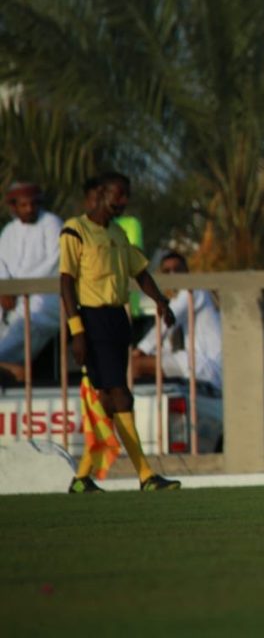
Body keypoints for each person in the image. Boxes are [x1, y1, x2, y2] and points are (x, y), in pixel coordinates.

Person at [60, 172, 182, 493]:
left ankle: (82, 477)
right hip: (92, 318)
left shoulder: (117, 232)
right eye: (119, 194)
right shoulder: (75, 229)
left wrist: (161, 301)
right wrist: (77, 330)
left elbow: (139, 271)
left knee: (107, 400)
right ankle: (145, 475)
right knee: (120, 394)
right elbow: (66, 283)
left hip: (117, 319)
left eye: (126, 195)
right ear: (101, 194)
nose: (123, 201)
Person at [131, 251, 223, 392]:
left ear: (187, 272)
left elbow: (165, 322)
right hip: (194, 363)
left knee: (135, 365)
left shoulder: (194, 291)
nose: (173, 275)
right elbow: (166, 345)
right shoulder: (179, 299)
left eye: (177, 270)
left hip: (206, 365)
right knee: (139, 366)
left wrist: (140, 350)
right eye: (167, 271)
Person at [0, 181, 63, 383]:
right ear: (13, 207)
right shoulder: (9, 230)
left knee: (29, 319)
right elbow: (1, 263)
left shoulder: (52, 223)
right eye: (23, 205)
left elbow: (55, 262)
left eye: (33, 204)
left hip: (44, 296)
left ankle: (6, 364)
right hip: (11, 295)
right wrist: (6, 288)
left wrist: (20, 289)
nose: (29, 209)